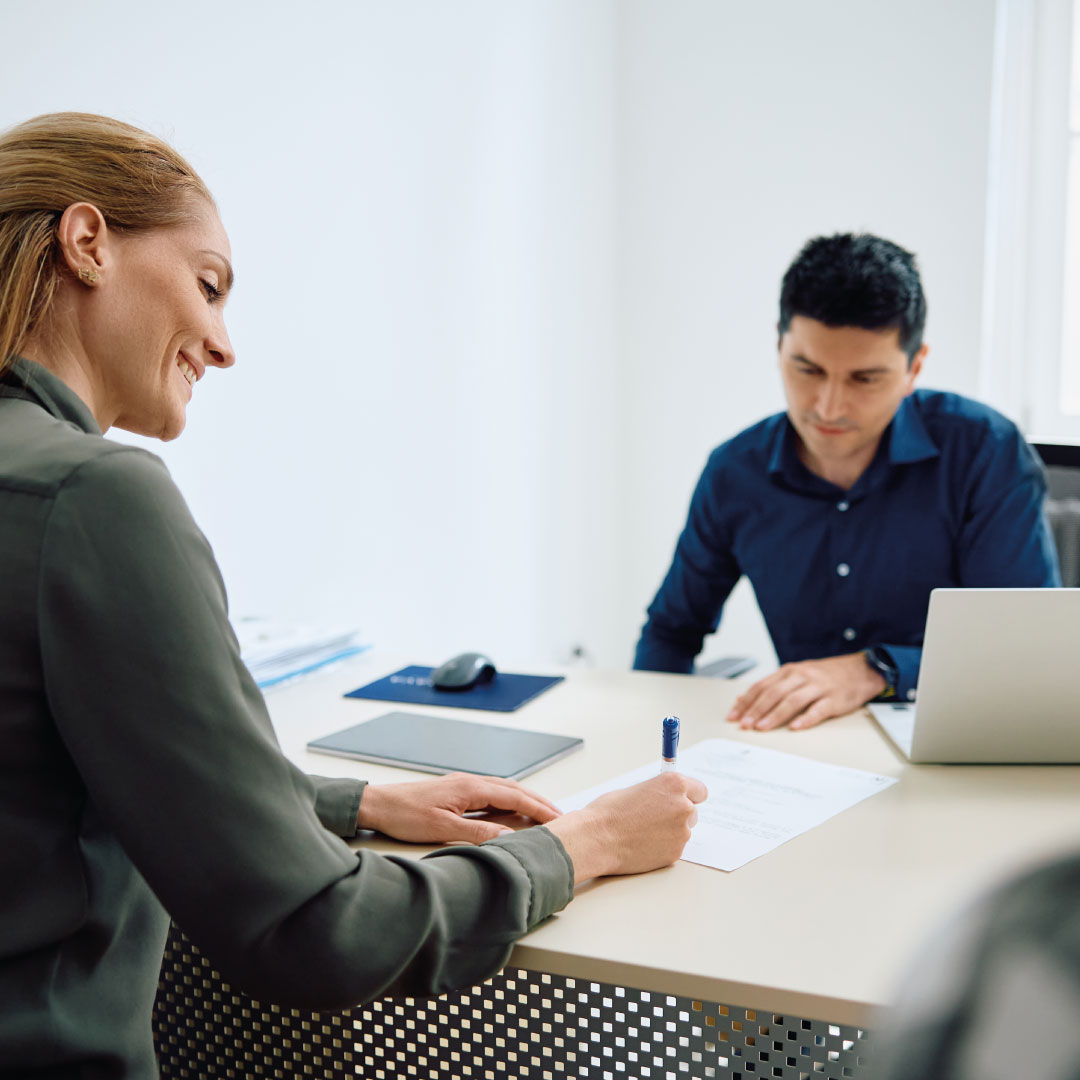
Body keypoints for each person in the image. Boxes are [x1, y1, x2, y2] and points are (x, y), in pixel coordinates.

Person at [0, 112, 707, 1079]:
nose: (222, 343)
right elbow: (316, 930)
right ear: (88, 244)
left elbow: (48, 777)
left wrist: (354, 800)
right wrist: (586, 845)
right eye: (209, 286)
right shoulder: (94, 496)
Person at [634, 233, 1059, 731]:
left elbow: (1023, 651)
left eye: (864, 379)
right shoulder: (734, 472)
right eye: (807, 369)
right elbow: (671, 632)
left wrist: (875, 670)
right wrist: (652, 752)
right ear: (779, 346)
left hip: (961, 740)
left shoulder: (985, 452)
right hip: (804, 753)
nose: (828, 407)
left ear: (913, 368)